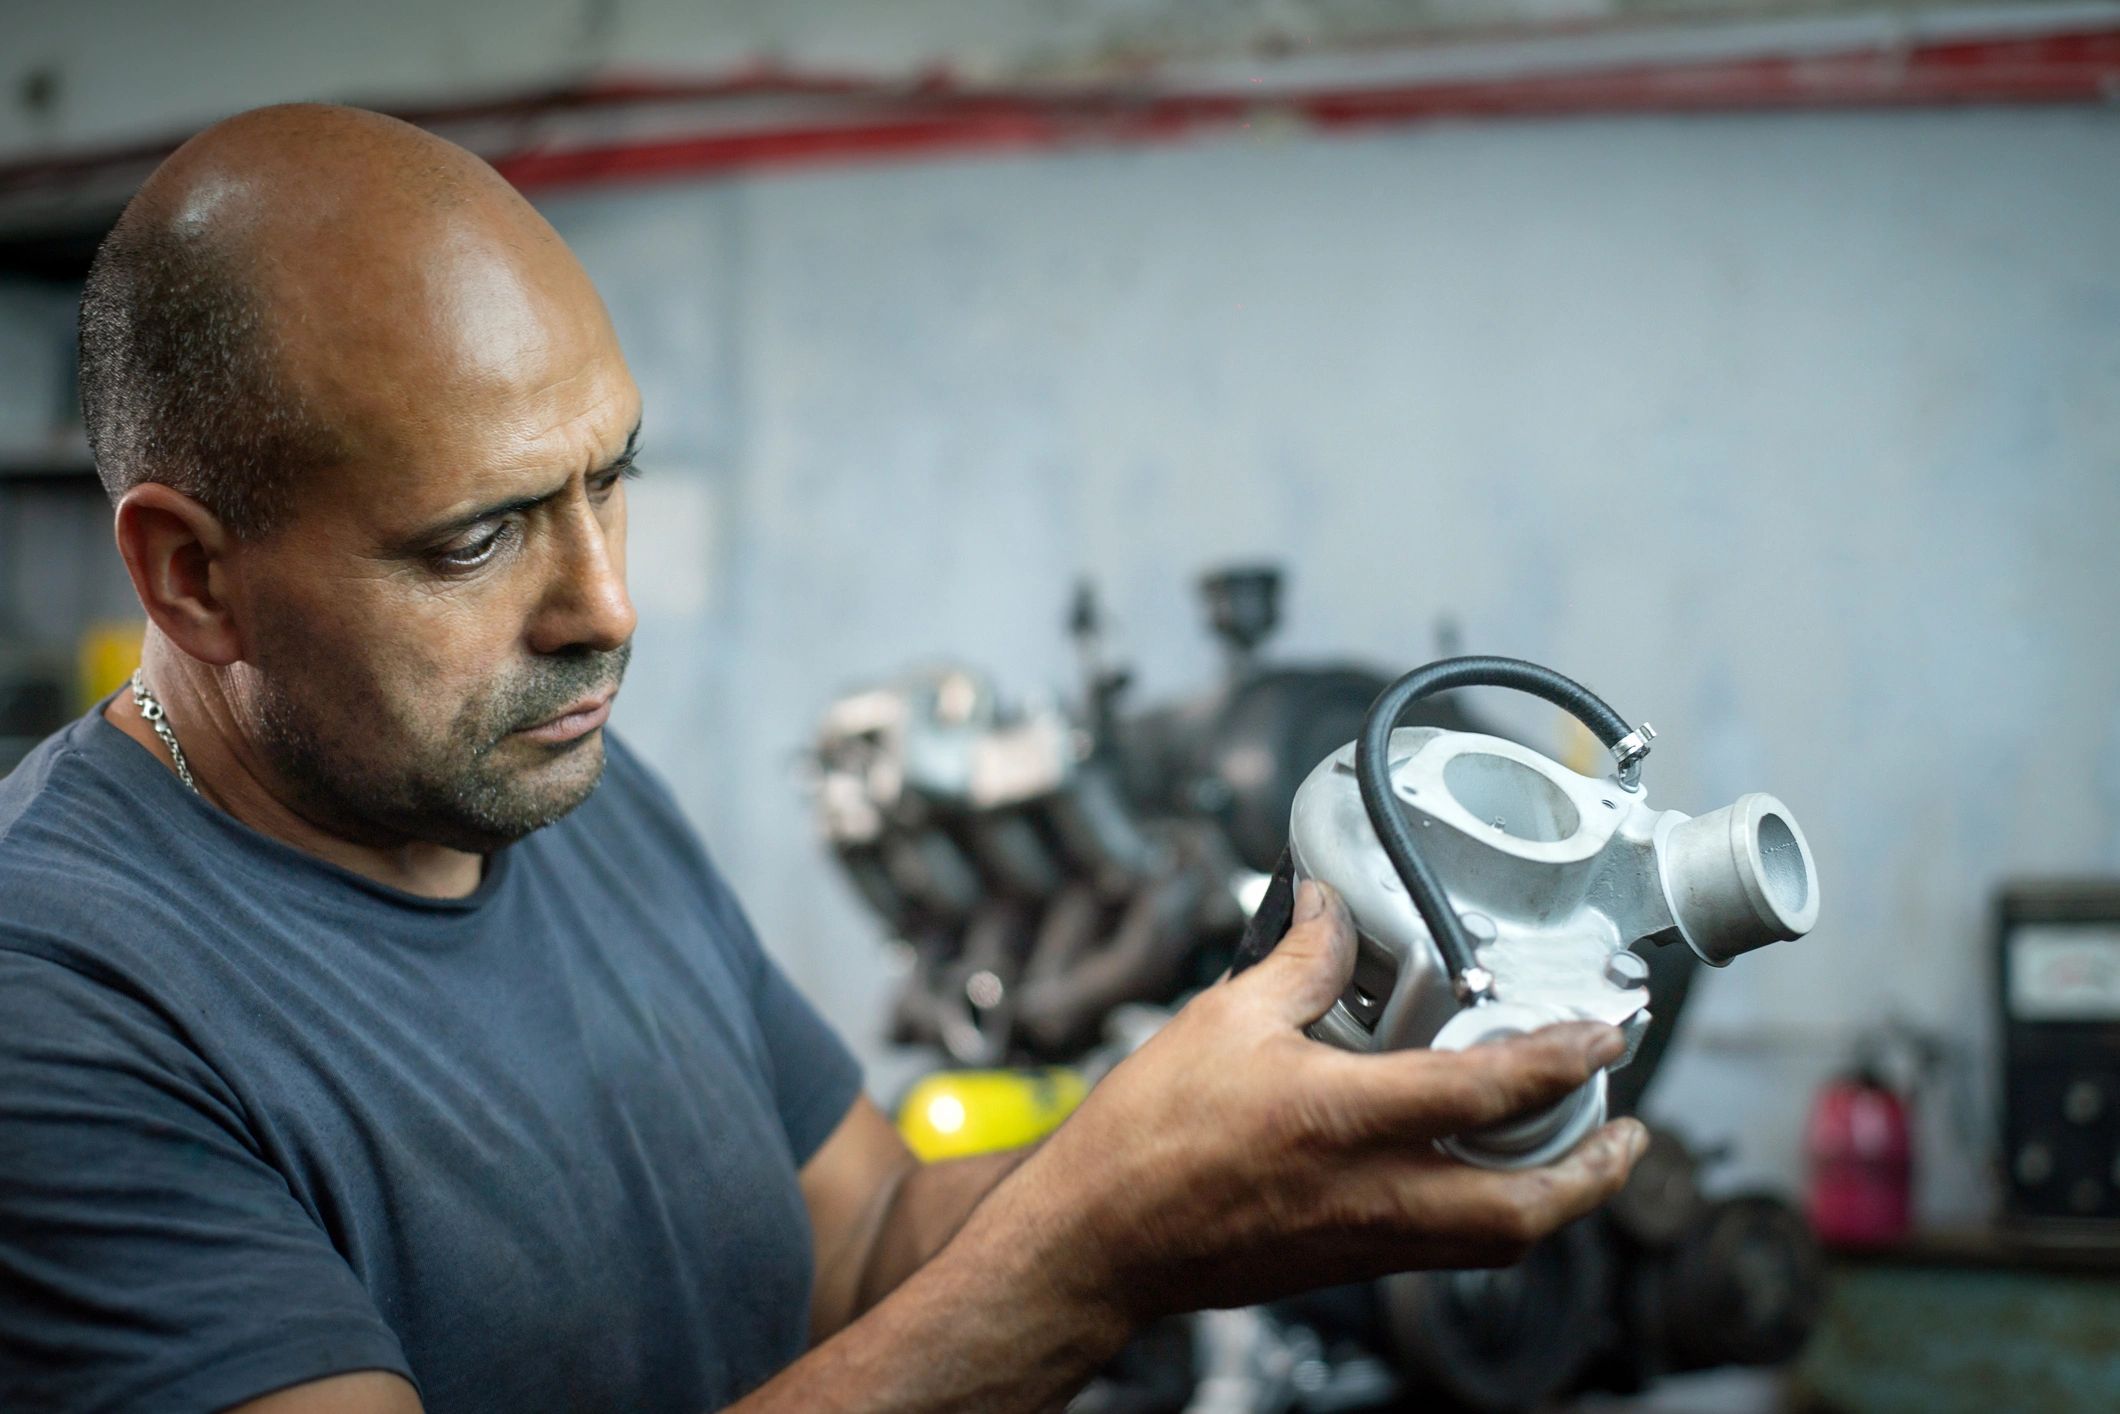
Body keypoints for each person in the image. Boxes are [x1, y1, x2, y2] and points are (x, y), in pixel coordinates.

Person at [0, 104, 1646, 1413]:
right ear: (191, 576)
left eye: (609, 478)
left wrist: (1225, 1148)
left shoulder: (555, 787)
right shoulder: (58, 995)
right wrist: (1093, 1252)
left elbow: (864, 1239)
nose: (605, 606)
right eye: (480, 536)